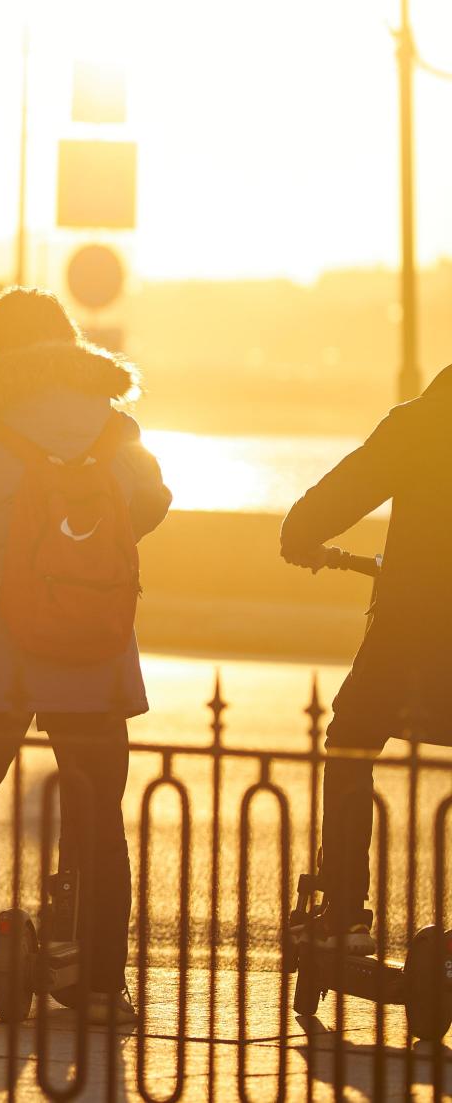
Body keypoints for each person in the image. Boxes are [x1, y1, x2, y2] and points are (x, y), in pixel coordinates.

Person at [0, 288, 170, 1025]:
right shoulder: (117, 425)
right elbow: (151, 502)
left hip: (4, 649)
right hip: (93, 647)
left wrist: (2, 556)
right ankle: (97, 983)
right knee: (98, 816)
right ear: (68, 343)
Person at [280, 364, 452, 953]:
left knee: (353, 738)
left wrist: (300, 537)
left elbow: (340, 494)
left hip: (413, 626)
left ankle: (346, 912)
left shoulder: (423, 422)